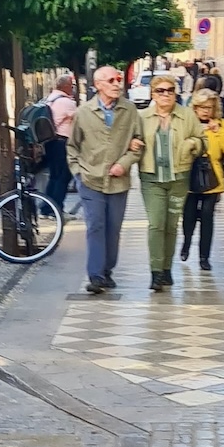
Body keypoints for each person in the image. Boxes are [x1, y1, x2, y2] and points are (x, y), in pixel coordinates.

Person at [68, 65, 144, 295]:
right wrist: (77, 172)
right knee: (95, 226)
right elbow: (72, 146)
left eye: (119, 79)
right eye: (111, 80)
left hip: (118, 182)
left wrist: (126, 162)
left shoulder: (129, 111)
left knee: (113, 228)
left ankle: (107, 270)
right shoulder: (83, 112)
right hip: (90, 179)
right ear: (98, 84)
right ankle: (96, 275)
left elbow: (139, 143)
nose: (116, 84)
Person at [138, 73, 203, 289]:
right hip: (151, 178)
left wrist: (193, 144)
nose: (166, 94)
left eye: (170, 90)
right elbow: (132, 140)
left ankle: (167, 269)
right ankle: (155, 272)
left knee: (171, 225)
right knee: (156, 224)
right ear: (153, 94)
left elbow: (203, 141)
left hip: (179, 178)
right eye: (160, 91)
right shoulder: (142, 117)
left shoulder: (187, 115)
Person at [180, 88, 224, 270]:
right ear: (195, 108)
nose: (206, 111)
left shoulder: (222, 124)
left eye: (210, 107)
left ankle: (204, 257)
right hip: (190, 176)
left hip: (212, 177)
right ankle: (187, 242)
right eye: (202, 107)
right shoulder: (187, 124)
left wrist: (219, 131)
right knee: (188, 215)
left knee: (207, 215)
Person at [43, 73, 78, 212]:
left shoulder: (50, 99)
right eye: (71, 85)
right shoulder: (66, 102)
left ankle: (47, 208)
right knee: (63, 177)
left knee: (54, 176)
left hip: (50, 142)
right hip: (62, 143)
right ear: (66, 86)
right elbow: (80, 119)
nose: (73, 88)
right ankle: (57, 209)